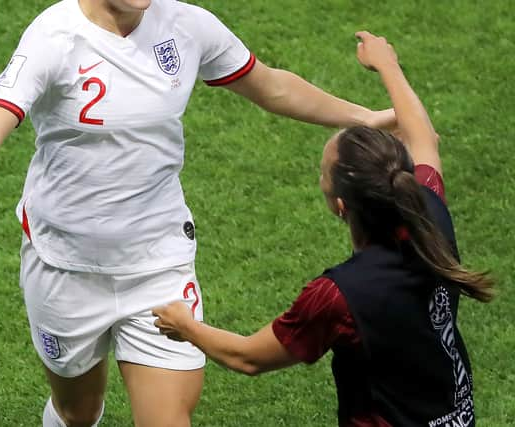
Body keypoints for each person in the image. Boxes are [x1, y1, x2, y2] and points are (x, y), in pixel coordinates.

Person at [0, 0, 396, 425]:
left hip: (157, 264)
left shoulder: (186, 26)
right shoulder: (54, 36)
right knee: (78, 414)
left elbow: (271, 86)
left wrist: (367, 118)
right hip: (62, 265)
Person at [153, 31, 494, 427]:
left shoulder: (338, 296)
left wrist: (187, 327)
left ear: (340, 207)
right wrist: (387, 64)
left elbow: (248, 358)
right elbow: (423, 135)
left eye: (322, 173)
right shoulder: (430, 214)